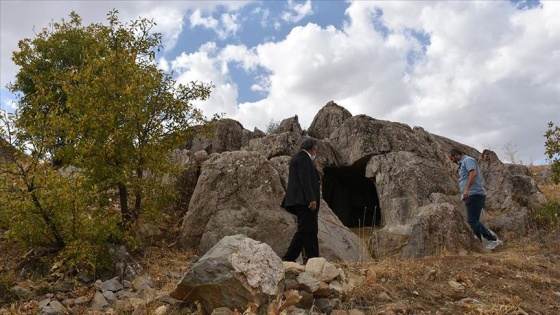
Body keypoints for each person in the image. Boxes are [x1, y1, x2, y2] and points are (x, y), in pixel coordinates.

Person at [449, 148, 503, 250]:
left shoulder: (468, 160)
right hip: (471, 195)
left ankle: (493, 240)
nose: (451, 160)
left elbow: (473, 174)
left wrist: (467, 190)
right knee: (473, 221)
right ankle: (478, 242)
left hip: (474, 194)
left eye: (452, 157)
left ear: (456, 155)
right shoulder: (463, 163)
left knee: (472, 220)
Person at [281, 138, 321, 264]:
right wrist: (311, 199)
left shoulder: (299, 157)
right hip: (304, 201)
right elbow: (305, 180)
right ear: (312, 148)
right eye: (315, 149)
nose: (316, 152)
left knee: (311, 230)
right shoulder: (303, 157)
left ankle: (313, 259)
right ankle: (288, 258)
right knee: (304, 230)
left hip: (302, 201)